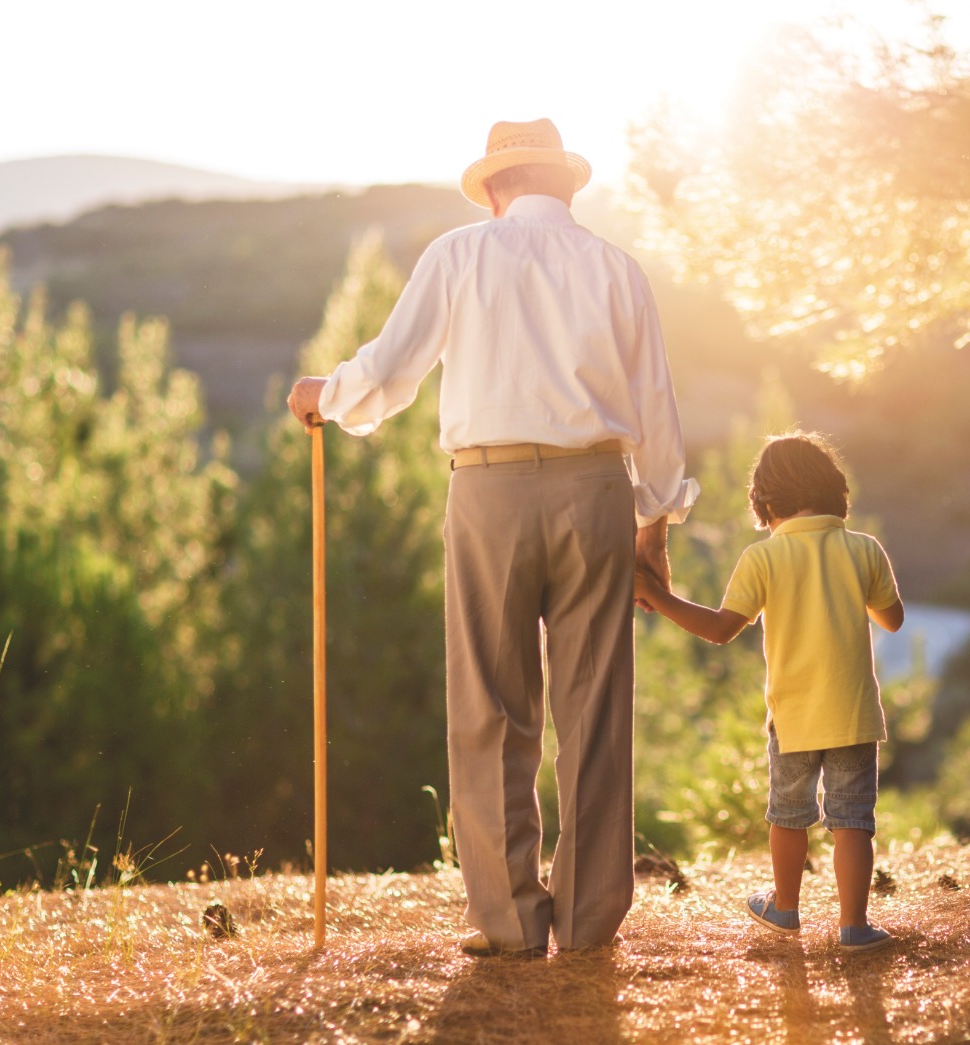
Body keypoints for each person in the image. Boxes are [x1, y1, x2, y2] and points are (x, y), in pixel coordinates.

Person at [285, 118, 698, 958]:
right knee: (595, 707)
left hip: (488, 490)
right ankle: (586, 923)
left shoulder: (459, 254)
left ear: (497, 188)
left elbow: (391, 373)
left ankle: (510, 921)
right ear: (566, 185)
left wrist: (325, 394)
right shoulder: (619, 269)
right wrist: (654, 524)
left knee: (490, 705)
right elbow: (657, 408)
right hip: (597, 492)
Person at [633, 431, 904, 953]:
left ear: (767, 503)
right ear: (834, 494)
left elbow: (719, 630)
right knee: (852, 820)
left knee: (788, 814)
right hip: (853, 714)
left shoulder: (763, 558)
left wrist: (656, 595)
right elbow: (892, 620)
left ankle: (784, 907)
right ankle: (854, 927)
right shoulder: (864, 549)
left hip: (795, 716)